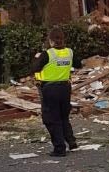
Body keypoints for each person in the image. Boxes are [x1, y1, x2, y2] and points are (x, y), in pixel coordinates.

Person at [33, 27, 77, 157]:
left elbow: (35, 68)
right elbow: (78, 64)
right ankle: (71, 141)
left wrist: (37, 58)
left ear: (51, 41)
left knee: (52, 119)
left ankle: (59, 148)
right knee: (64, 116)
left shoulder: (47, 54)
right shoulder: (69, 52)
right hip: (65, 88)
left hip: (50, 88)